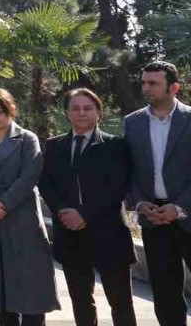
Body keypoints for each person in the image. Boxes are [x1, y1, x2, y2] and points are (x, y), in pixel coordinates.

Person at [41, 88, 136, 326]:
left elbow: (118, 186)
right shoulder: (54, 146)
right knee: (81, 299)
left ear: (98, 112)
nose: (81, 113)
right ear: (67, 113)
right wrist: (64, 212)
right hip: (70, 234)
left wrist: (83, 213)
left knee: (121, 301)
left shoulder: (115, 145)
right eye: (75, 108)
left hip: (109, 233)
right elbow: (46, 183)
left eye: (87, 108)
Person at [124, 60, 191, 326]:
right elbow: (130, 169)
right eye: (144, 82)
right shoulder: (133, 122)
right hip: (154, 220)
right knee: (165, 293)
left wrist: (180, 208)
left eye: (153, 83)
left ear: (174, 87)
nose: (146, 88)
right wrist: (139, 202)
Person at [0, 88, 58, 325]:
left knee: (29, 280)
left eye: (0, 111)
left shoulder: (27, 138)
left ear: (11, 111)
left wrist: (4, 204)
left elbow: (30, 175)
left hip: (21, 215)